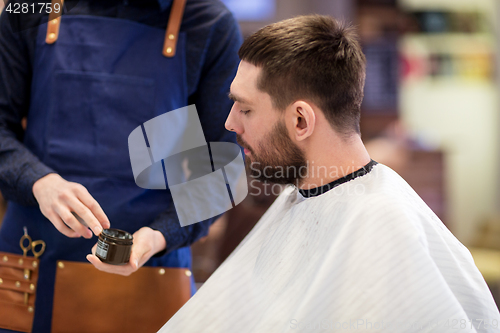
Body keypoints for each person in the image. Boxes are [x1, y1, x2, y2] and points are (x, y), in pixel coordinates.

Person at [158, 15, 500, 332]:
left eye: (245, 108)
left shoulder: (384, 225)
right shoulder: (301, 197)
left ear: (301, 121)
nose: (230, 123)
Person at [0, 0, 241, 331]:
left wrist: (159, 236)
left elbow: (219, 171)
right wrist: (39, 182)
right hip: (32, 261)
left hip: (152, 267)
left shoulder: (209, 23)